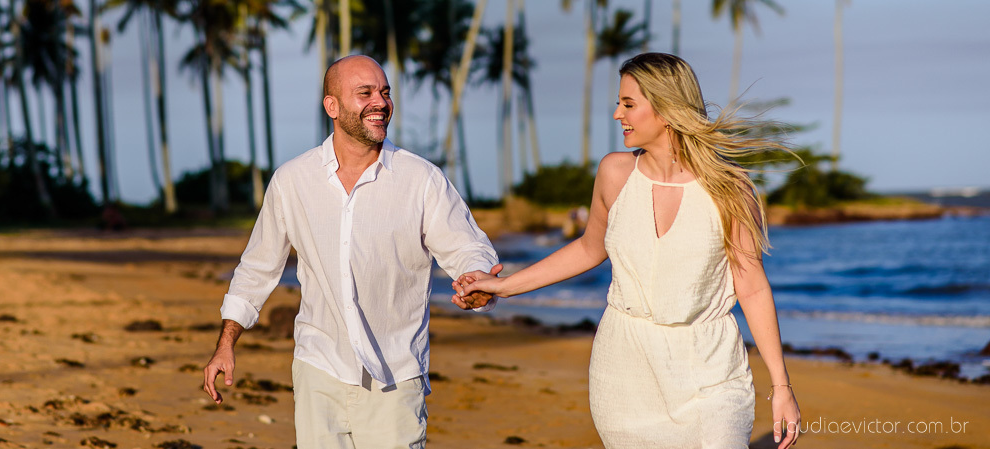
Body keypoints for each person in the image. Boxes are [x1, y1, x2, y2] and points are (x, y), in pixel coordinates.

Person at [454, 52, 802, 449]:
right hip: (626, 369)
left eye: (628, 104)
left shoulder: (729, 189)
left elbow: (752, 287)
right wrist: (504, 286)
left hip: (711, 368)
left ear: (667, 109)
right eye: (619, 103)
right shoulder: (615, 173)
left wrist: (781, 386)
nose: (617, 114)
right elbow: (588, 249)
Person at [202, 54, 502, 449]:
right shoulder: (293, 180)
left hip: (396, 378)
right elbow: (257, 268)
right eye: (365, 93)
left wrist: (478, 282)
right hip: (318, 372)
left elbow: (467, 248)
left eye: (385, 92)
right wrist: (226, 343)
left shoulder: (421, 180)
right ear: (332, 106)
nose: (381, 102)